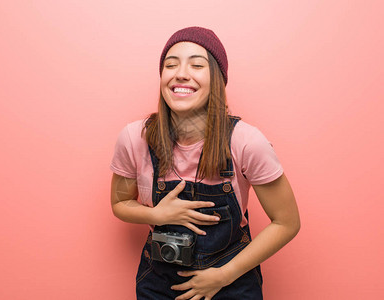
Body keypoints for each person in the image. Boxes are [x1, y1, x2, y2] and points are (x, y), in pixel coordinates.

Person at [110, 26, 300, 300]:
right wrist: (156, 214)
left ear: (218, 80)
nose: (181, 73)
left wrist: (223, 276)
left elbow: (286, 222)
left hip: (231, 280)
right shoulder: (134, 138)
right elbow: (119, 203)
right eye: (170, 65)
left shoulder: (247, 141)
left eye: (197, 65)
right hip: (160, 282)